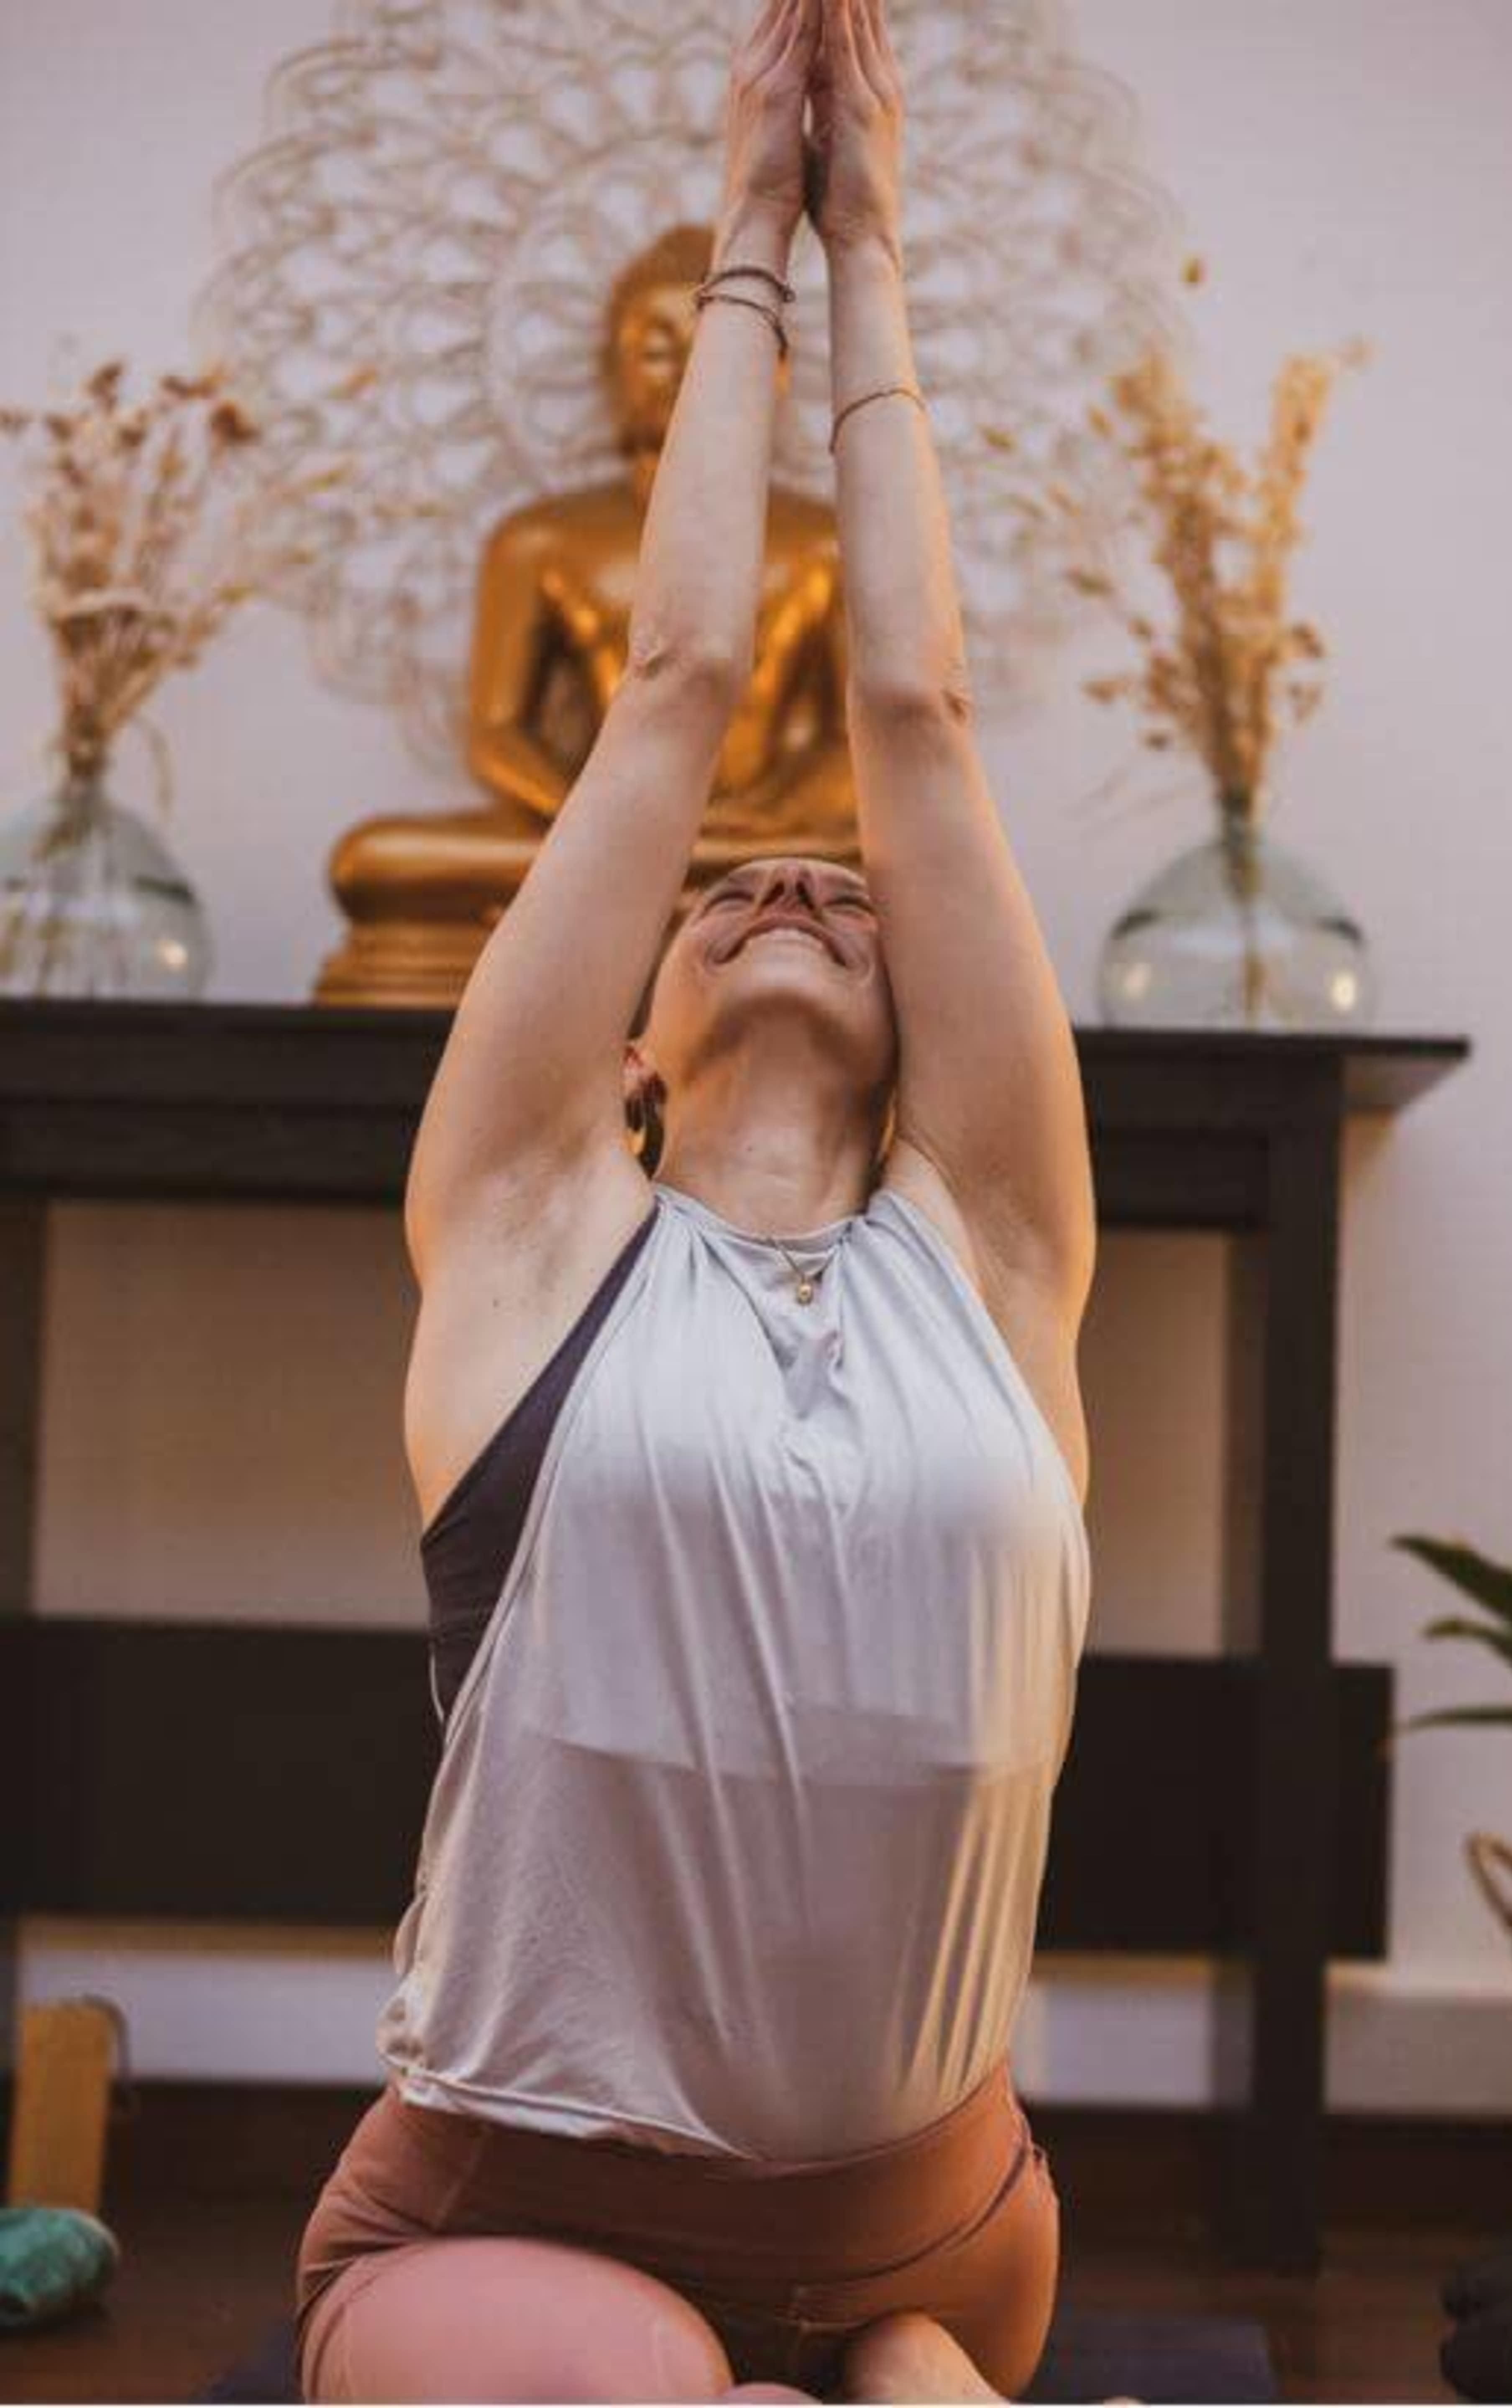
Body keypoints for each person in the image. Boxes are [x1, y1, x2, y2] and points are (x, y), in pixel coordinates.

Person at [294, 0, 1097, 2397]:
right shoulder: (540, 1238)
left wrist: (879, 251)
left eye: (845, 894)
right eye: (731, 889)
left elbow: (918, 718)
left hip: (938, 2227)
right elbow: (666, 695)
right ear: (621, 1034)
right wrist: (743, 219)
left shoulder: (1002, 1267)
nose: (792, 880)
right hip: (520, 2207)